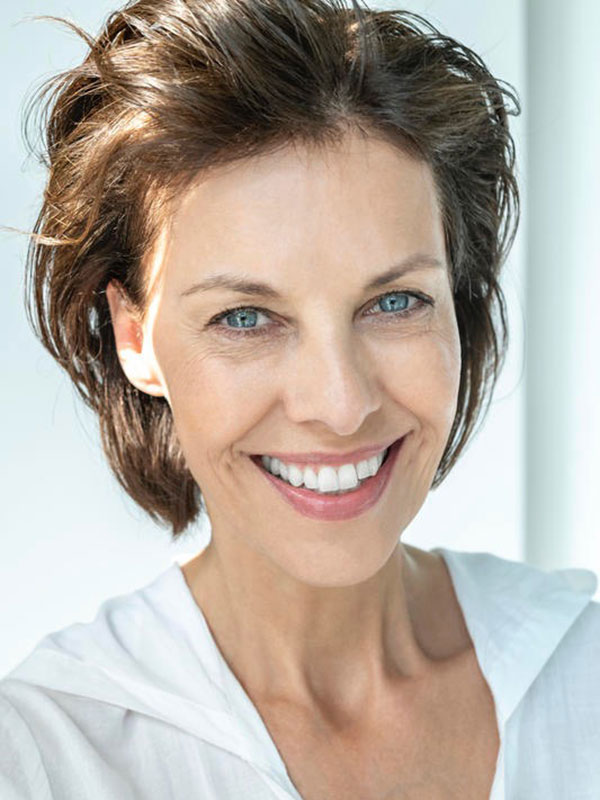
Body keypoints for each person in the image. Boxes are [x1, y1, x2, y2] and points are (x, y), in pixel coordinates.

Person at [1, 0, 598, 798]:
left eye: (395, 302)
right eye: (245, 318)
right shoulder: (43, 757)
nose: (340, 405)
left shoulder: (582, 672)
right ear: (134, 336)